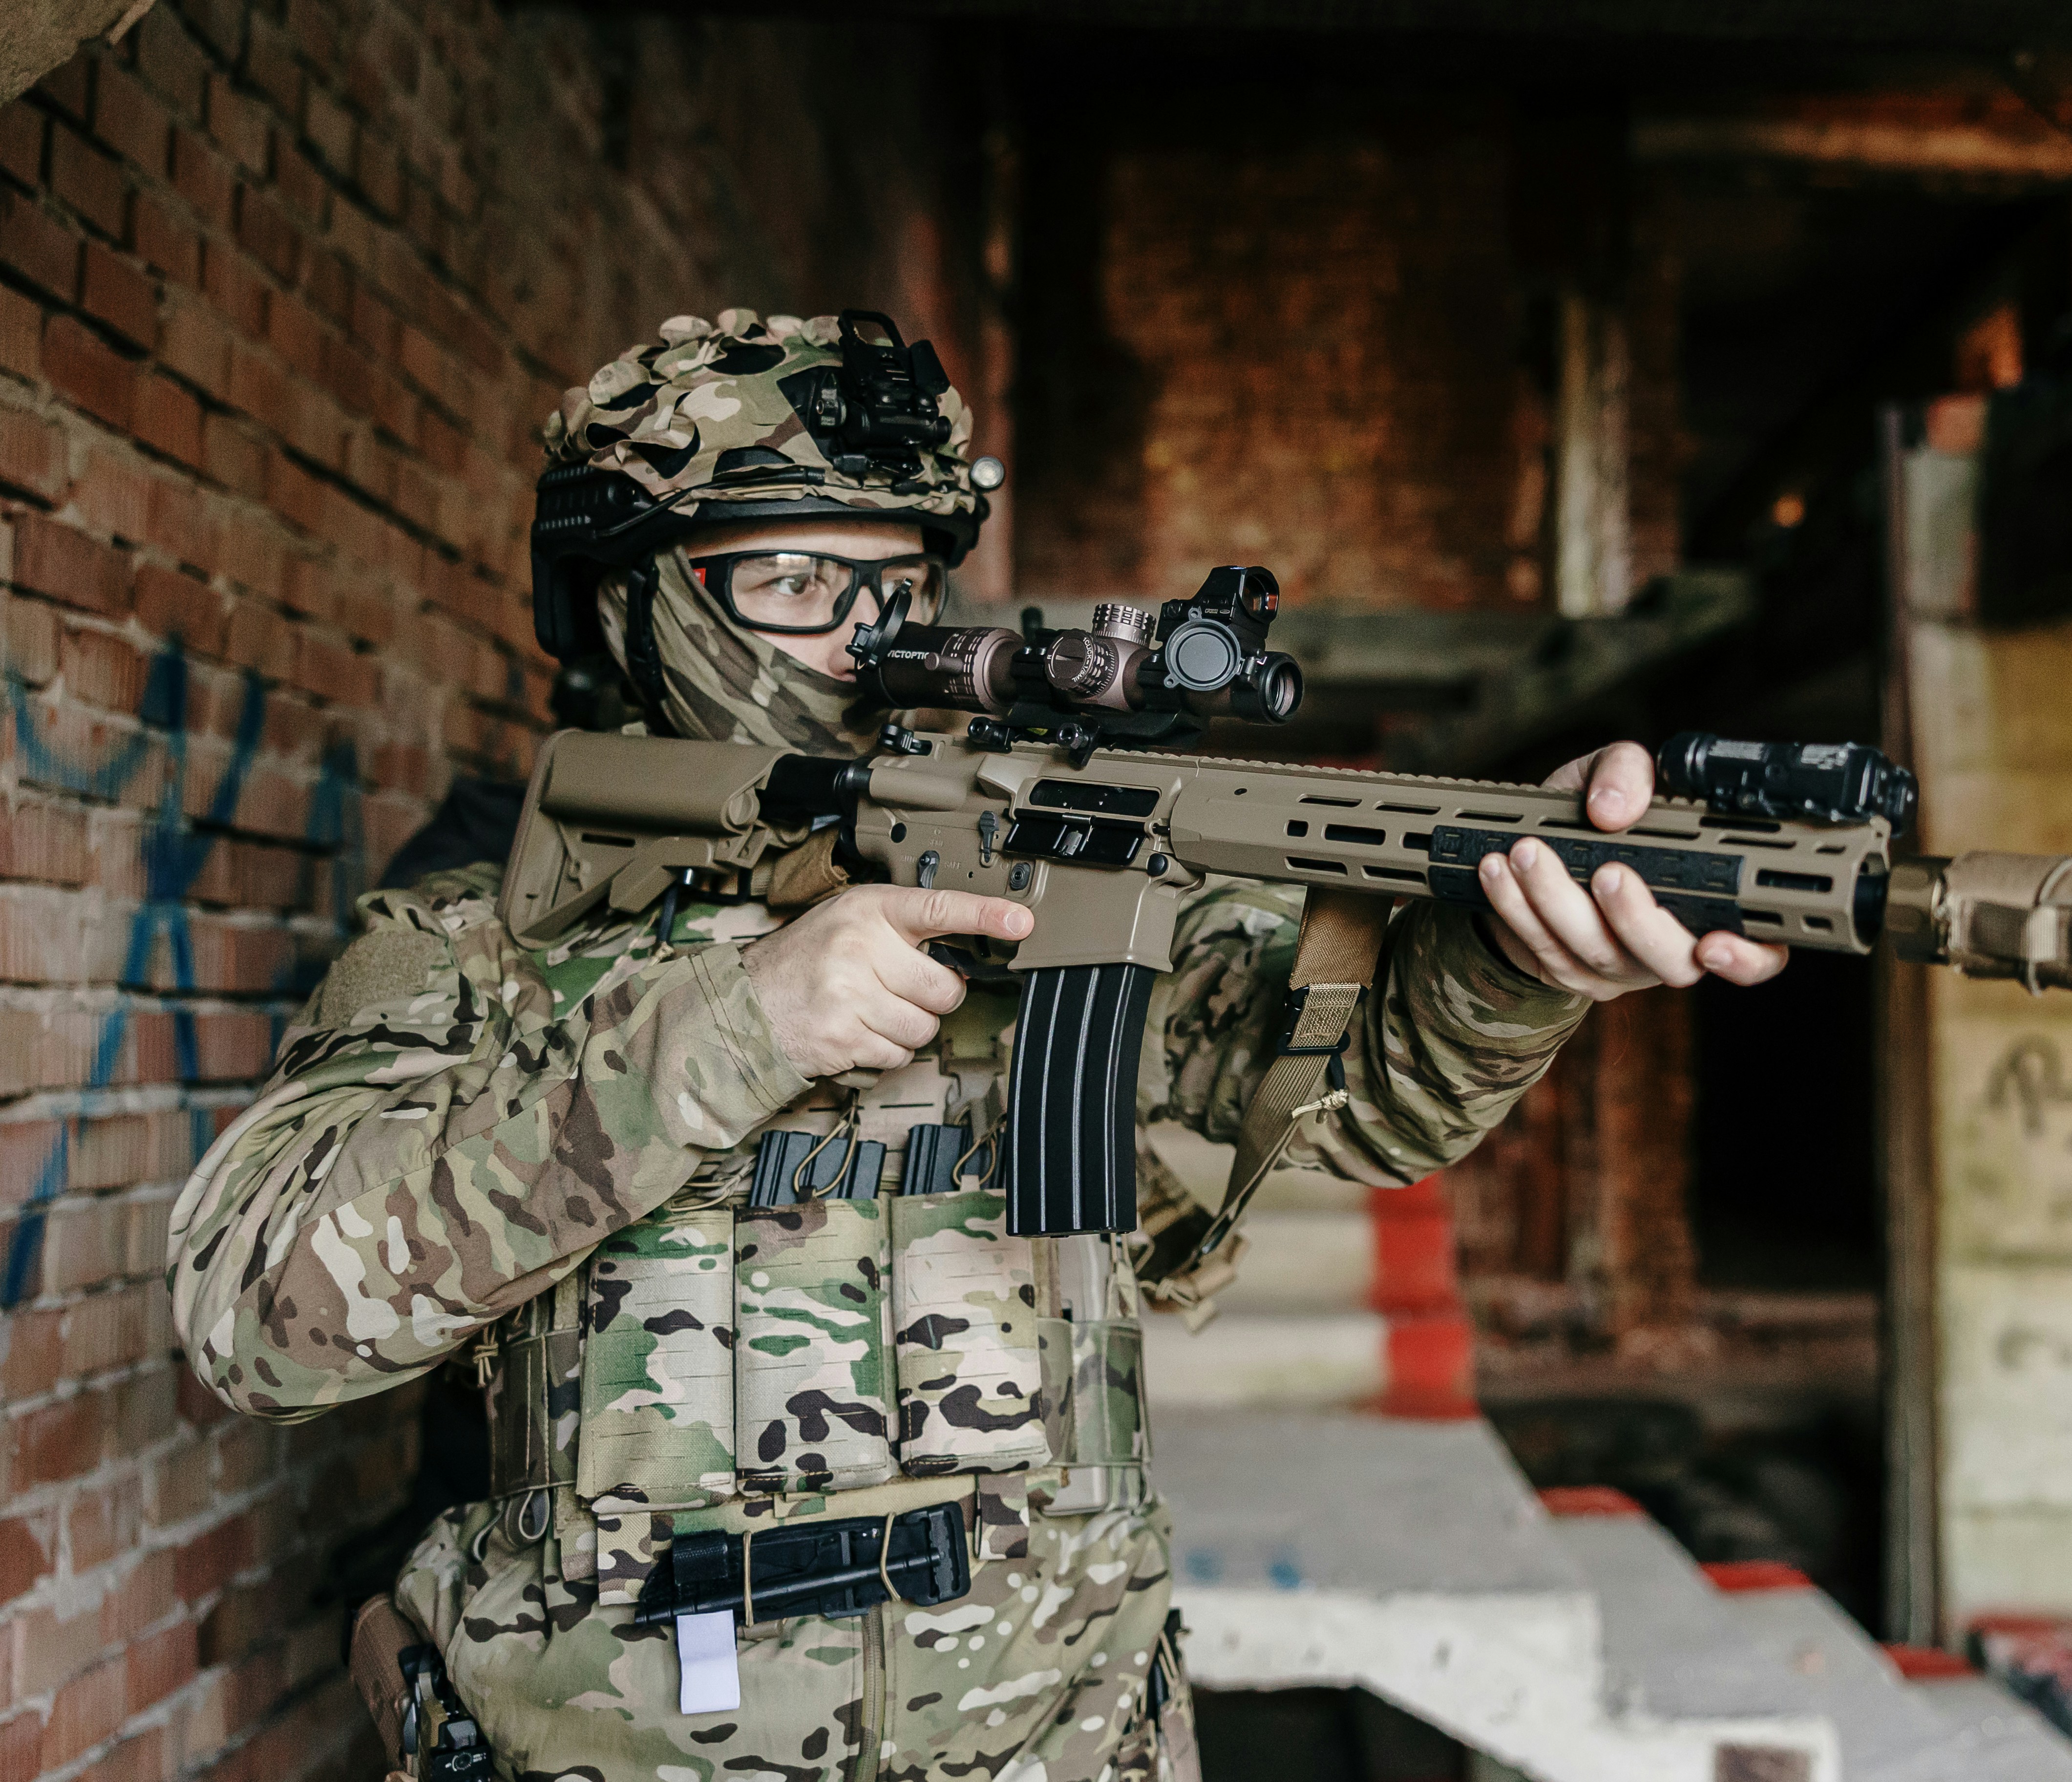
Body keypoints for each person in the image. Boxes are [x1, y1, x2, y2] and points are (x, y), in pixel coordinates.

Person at [166, 309, 1786, 1781]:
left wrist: (1506, 959)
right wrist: (743, 1023)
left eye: (898, 589)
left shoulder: (1047, 889)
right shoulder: (477, 940)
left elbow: (1358, 1107)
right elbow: (258, 1319)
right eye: (794, 585)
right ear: (627, 596)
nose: (862, 645)